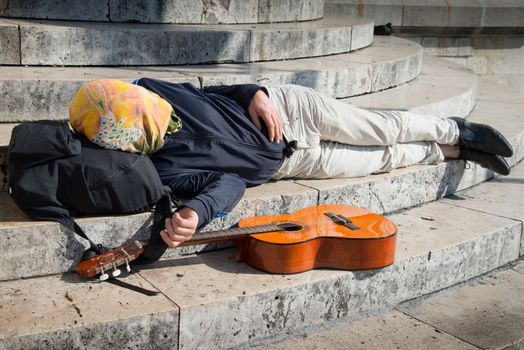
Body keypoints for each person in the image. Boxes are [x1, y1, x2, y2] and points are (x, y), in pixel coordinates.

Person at [131, 78, 513, 249]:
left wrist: (255, 94)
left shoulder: (149, 93)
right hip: (293, 164)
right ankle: (452, 152)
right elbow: (228, 184)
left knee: (380, 129)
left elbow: (208, 91)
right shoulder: (158, 170)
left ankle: (456, 131)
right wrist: (199, 211)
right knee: (381, 159)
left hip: (292, 111)